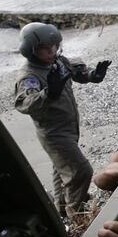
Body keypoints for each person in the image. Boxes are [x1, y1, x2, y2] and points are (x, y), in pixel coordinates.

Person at [14, 22, 111, 218]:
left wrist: (94, 75)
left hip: (68, 127)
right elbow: (25, 103)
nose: (51, 51)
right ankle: (77, 213)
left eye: (54, 46)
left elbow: (76, 73)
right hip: (54, 134)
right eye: (44, 49)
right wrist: (48, 93)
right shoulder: (29, 76)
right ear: (31, 51)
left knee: (62, 170)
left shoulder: (57, 62)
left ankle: (61, 210)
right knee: (81, 171)